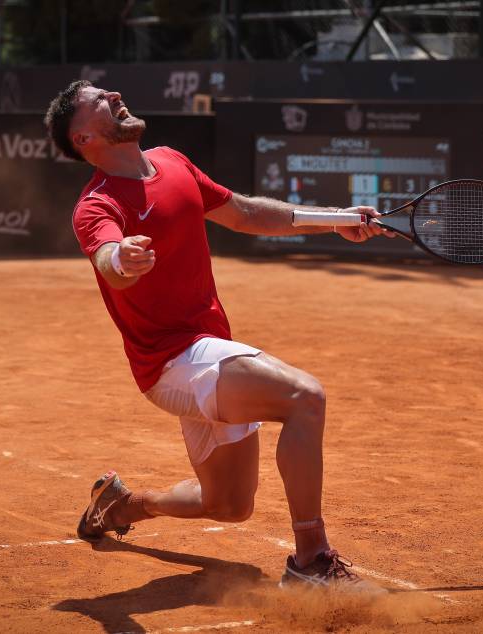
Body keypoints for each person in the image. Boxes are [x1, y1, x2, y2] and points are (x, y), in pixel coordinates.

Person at [44, 80, 390, 590]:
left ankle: (125, 505)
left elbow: (245, 213)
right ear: (83, 138)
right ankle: (311, 562)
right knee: (304, 397)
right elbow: (106, 256)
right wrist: (123, 258)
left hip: (209, 350)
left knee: (228, 504)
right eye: (98, 98)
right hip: (171, 363)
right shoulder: (94, 205)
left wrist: (335, 219)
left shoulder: (172, 162)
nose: (115, 93)